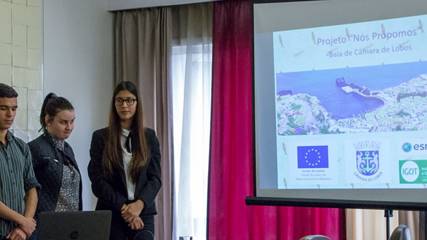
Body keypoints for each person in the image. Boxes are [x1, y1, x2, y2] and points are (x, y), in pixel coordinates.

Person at [88, 81, 161, 240]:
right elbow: (97, 181)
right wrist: (126, 209)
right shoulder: (100, 137)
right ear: (114, 104)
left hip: (143, 212)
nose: (124, 105)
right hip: (111, 212)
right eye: (119, 100)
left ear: (137, 103)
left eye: (129, 100)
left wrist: (138, 205)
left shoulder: (149, 137)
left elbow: (155, 179)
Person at [28, 93, 82, 218]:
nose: (69, 127)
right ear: (48, 120)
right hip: (45, 223)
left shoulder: (68, 149)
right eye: (63, 122)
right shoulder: (34, 148)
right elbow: (27, 190)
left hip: (72, 222)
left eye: (72, 121)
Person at [0, 83, 40, 240]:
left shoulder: (21, 147)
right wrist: (23, 221)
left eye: (14, 108)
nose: (10, 114)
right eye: (3, 108)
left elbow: (32, 189)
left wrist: (24, 228)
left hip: (20, 234)